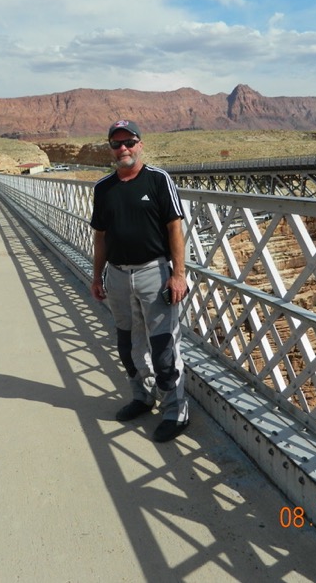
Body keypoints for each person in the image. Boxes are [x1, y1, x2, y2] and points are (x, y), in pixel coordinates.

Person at [90, 119, 190, 442]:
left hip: (154, 274)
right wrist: (97, 276)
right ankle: (142, 397)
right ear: (111, 149)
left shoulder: (159, 180)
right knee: (127, 343)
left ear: (140, 144)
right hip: (117, 276)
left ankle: (176, 410)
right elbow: (100, 238)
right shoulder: (103, 189)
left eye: (129, 142)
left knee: (163, 346)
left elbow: (175, 228)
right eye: (117, 144)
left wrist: (178, 274)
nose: (123, 149)